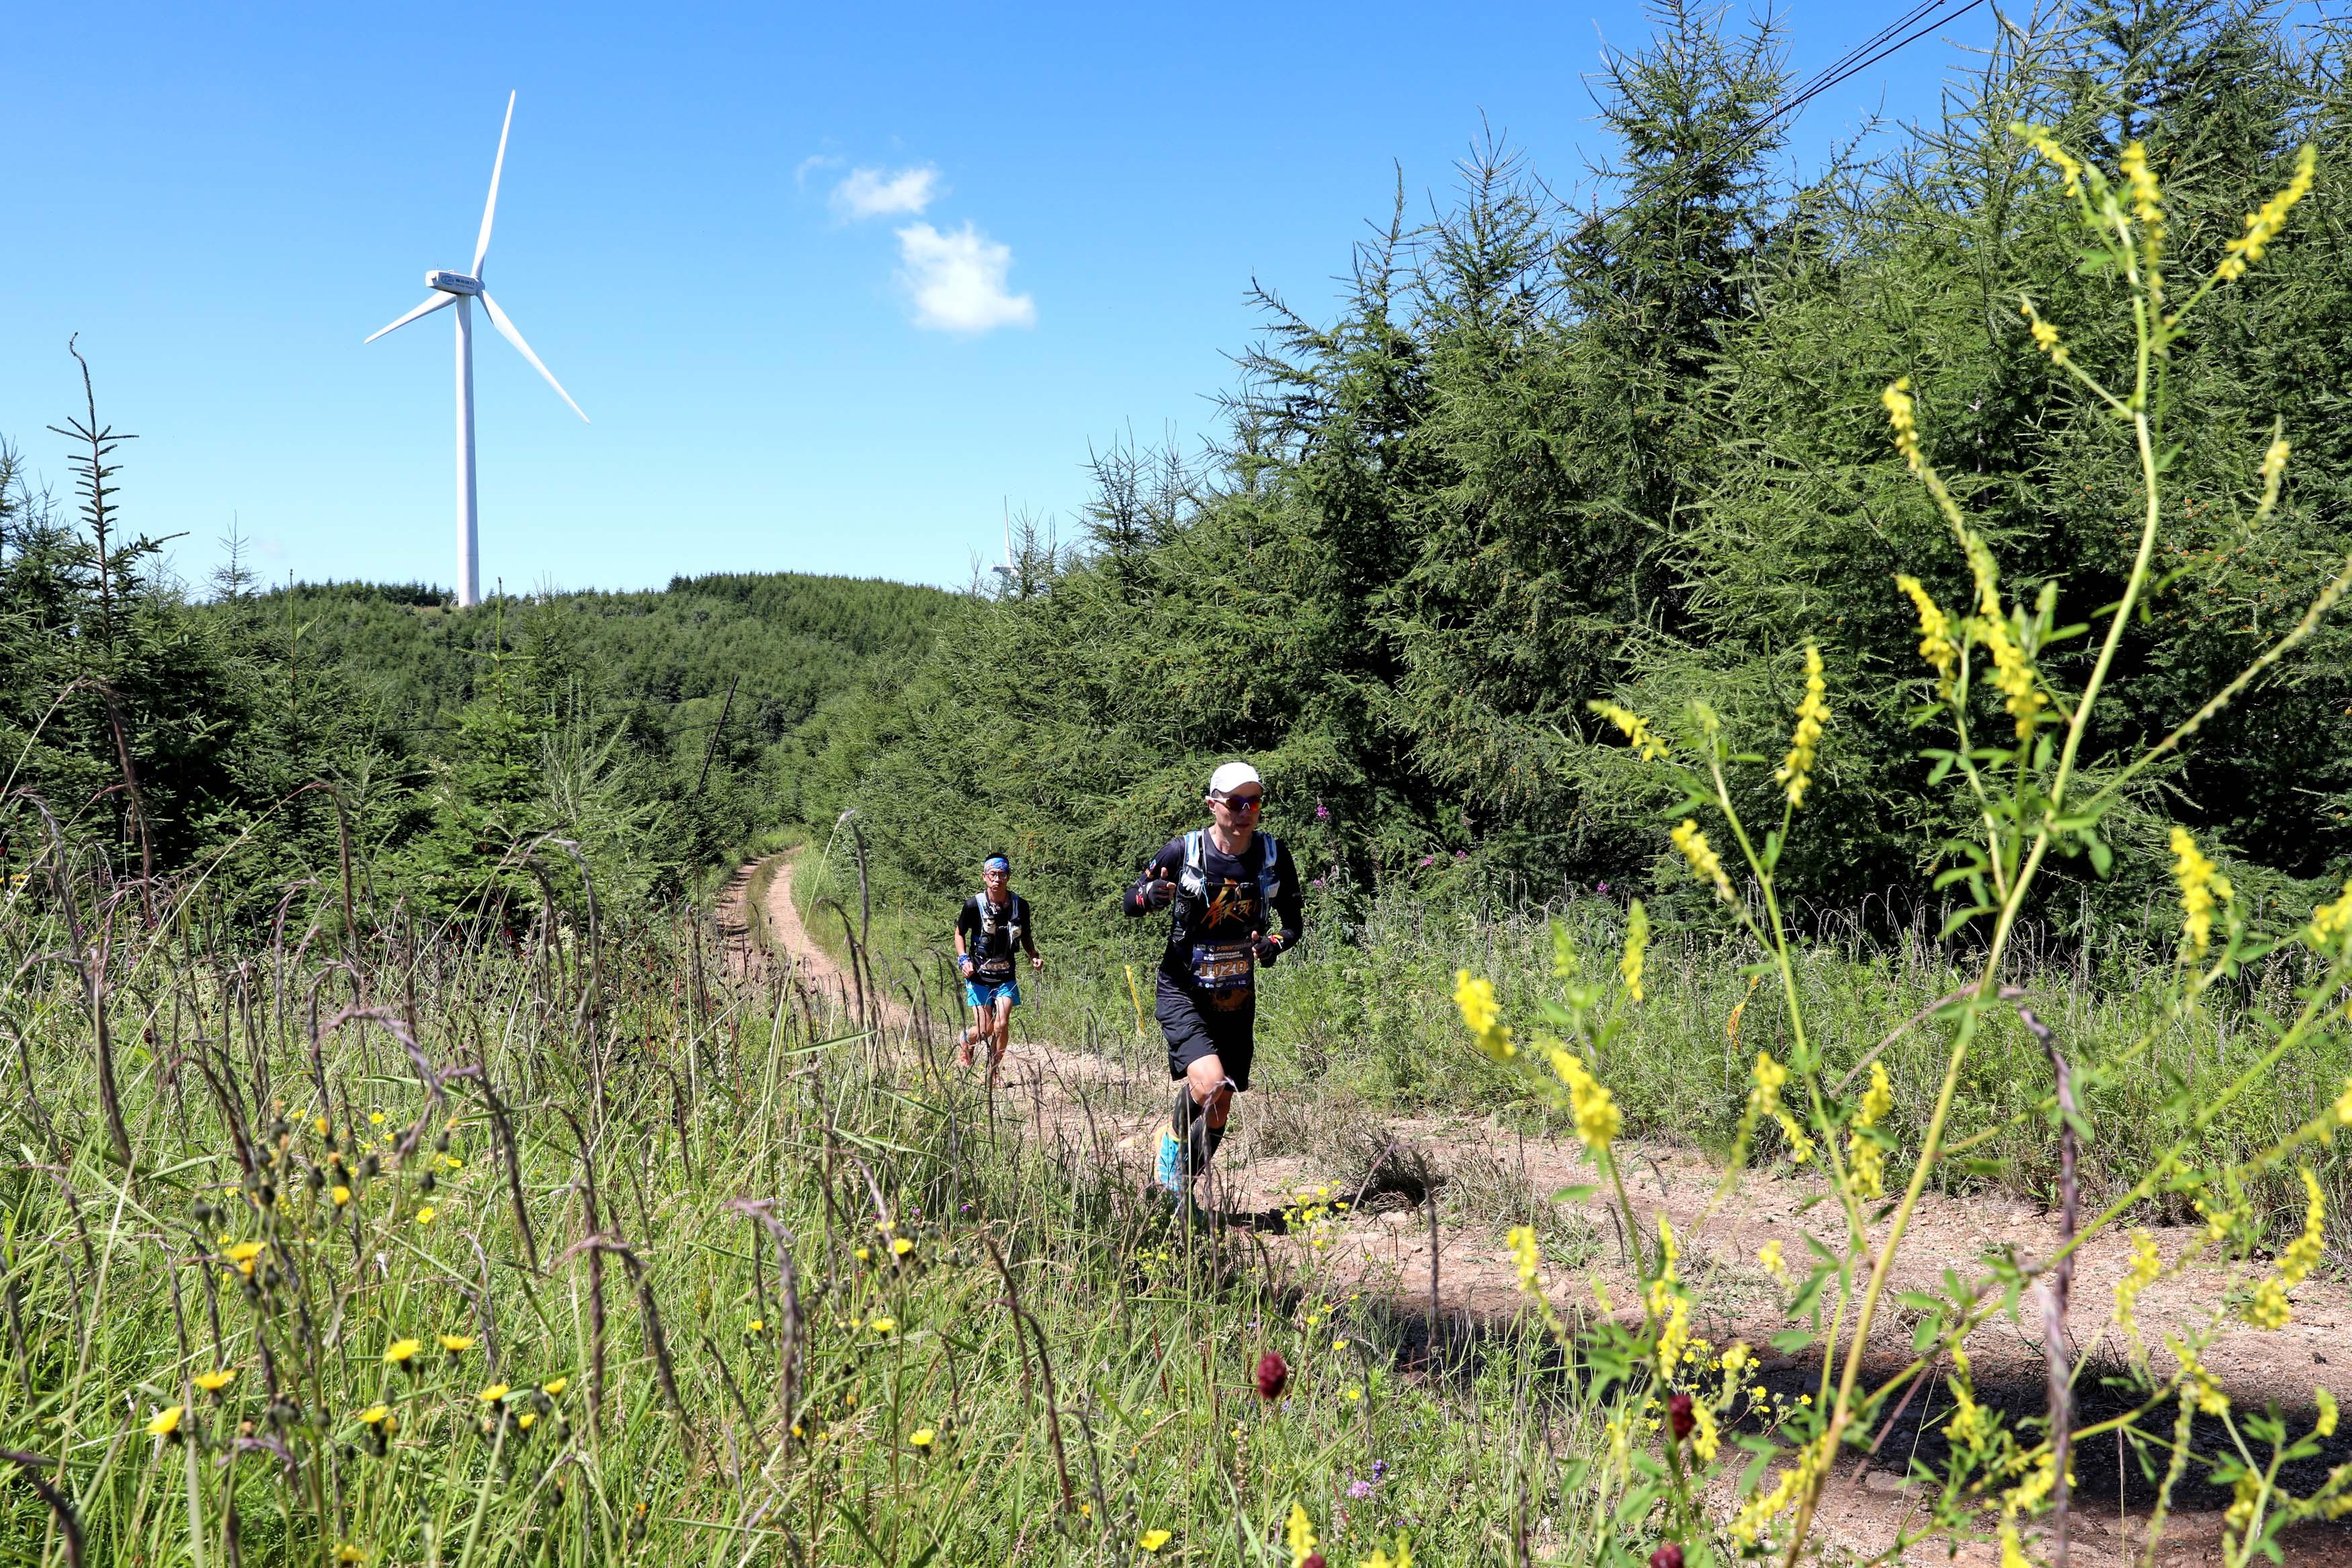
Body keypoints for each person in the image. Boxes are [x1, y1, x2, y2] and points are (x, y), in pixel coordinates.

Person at [1126, 761, 1303, 1209]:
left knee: (1222, 1102)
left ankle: (1180, 1189)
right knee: (1208, 1082)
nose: (1245, 811)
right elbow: (1131, 899)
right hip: (1182, 987)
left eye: (1254, 802)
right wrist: (1150, 897)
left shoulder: (1272, 855)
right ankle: (1169, 1160)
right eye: (1235, 802)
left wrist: (1273, 946)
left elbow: (1294, 925)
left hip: (1235, 995)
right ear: (1213, 805)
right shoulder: (1184, 852)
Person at [954, 853, 1041, 1080]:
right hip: (978, 977)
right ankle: (966, 1040)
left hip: (1006, 976)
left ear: (1008, 876)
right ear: (985, 877)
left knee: (1001, 1024)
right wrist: (963, 959)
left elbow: (1026, 935)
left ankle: (993, 1071)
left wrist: (1033, 955)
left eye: (1002, 874)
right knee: (985, 1030)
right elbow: (959, 933)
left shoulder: (1020, 905)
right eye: (993, 874)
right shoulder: (974, 905)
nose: (997, 879)